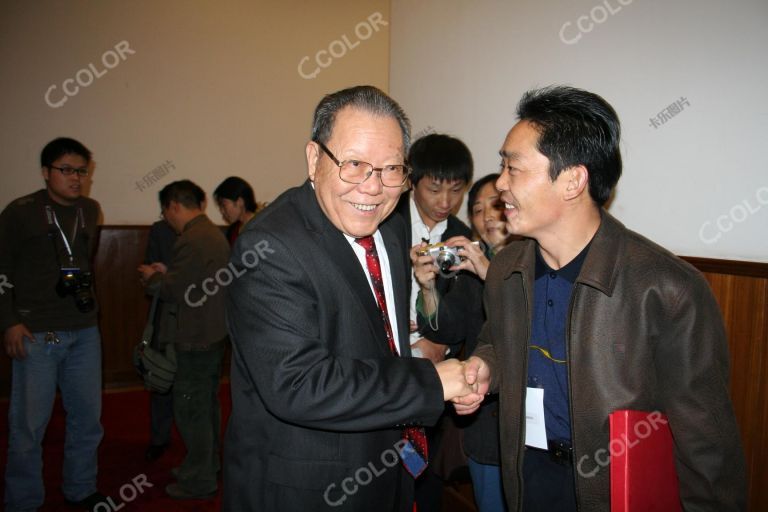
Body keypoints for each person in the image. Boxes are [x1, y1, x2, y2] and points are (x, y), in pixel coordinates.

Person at [456, 86, 746, 511]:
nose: (499, 184)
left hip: (614, 493)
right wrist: (486, 367)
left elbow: (707, 447)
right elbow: (497, 343)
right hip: (526, 479)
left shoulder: (667, 289)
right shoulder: (506, 269)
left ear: (573, 179)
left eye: (513, 168)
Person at [222, 85, 481, 512]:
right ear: (313, 159)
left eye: (392, 168)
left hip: (387, 461)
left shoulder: (392, 225)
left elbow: (381, 342)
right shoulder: (269, 247)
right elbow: (299, 384)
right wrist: (432, 382)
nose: (373, 188)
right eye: (355, 164)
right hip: (309, 483)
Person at [1, 137, 105, 511]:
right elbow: (2, 270)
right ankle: (23, 501)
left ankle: (80, 487)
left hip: (84, 330)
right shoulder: (20, 211)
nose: (76, 178)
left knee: (87, 419)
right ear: (46, 172)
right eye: (66, 170)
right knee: (28, 428)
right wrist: (9, 321)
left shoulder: (91, 210)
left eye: (81, 171)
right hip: (35, 332)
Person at [412, 173, 510, 511]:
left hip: (529, 424)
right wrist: (427, 288)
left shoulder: (538, 260)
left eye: (496, 206)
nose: (488, 217)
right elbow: (446, 331)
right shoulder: (469, 271)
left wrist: (489, 272)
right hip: (483, 420)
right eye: (479, 210)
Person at [138, 180, 230, 500]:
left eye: (166, 212)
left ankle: (198, 479)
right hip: (212, 333)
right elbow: (192, 280)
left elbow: (175, 291)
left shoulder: (192, 239)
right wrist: (169, 273)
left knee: (191, 409)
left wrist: (153, 278)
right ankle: (208, 464)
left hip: (195, 336)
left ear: (174, 206)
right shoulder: (210, 234)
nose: (167, 219)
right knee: (207, 406)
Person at [395, 133, 473, 364]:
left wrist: (443, 345)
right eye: (434, 190)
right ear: (412, 181)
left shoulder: (462, 237)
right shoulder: (385, 221)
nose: (446, 202)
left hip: (434, 358)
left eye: (456, 190)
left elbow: (464, 310)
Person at [142, 219, 177, 461]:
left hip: (196, 322)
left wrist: (169, 273)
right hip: (165, 316)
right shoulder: (160, 230)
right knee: (161, 377)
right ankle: (159, 438)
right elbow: (150, 273)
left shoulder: (203, 235)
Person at [213, 176, 258, 245]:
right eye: (220, 206)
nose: (222, 211)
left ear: (240, 202)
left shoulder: (259, 227)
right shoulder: (233, 230)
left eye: (224, 205)